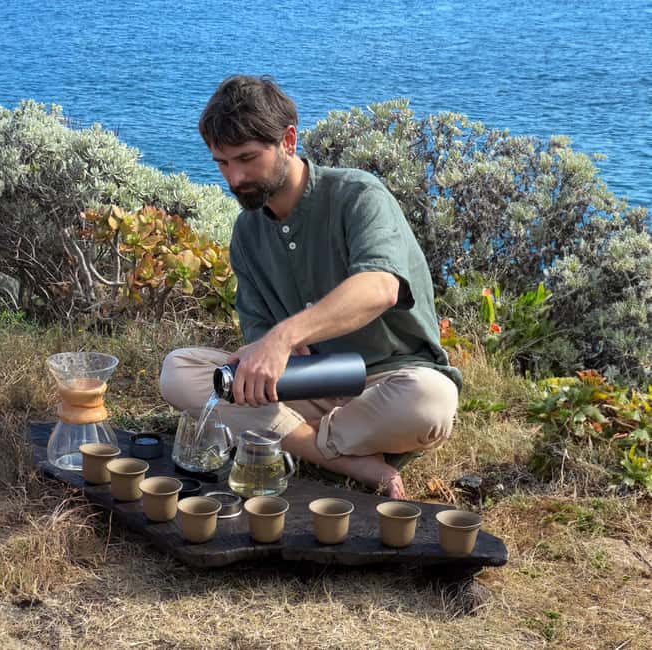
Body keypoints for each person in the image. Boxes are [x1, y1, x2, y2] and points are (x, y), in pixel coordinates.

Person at [159, 75, 461, 499]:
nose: (235, 178)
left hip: (389, 382)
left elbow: (380, 287)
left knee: (430, 401)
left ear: (288, 140)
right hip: (302, 386)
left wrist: (284, 337)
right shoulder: (247, 231)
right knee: (179, 371)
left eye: (247, 158)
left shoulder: (358, 195)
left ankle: (292, 440)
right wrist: (263, 346)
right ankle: (343, 456)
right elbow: (259, 333)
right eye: (222, 163)